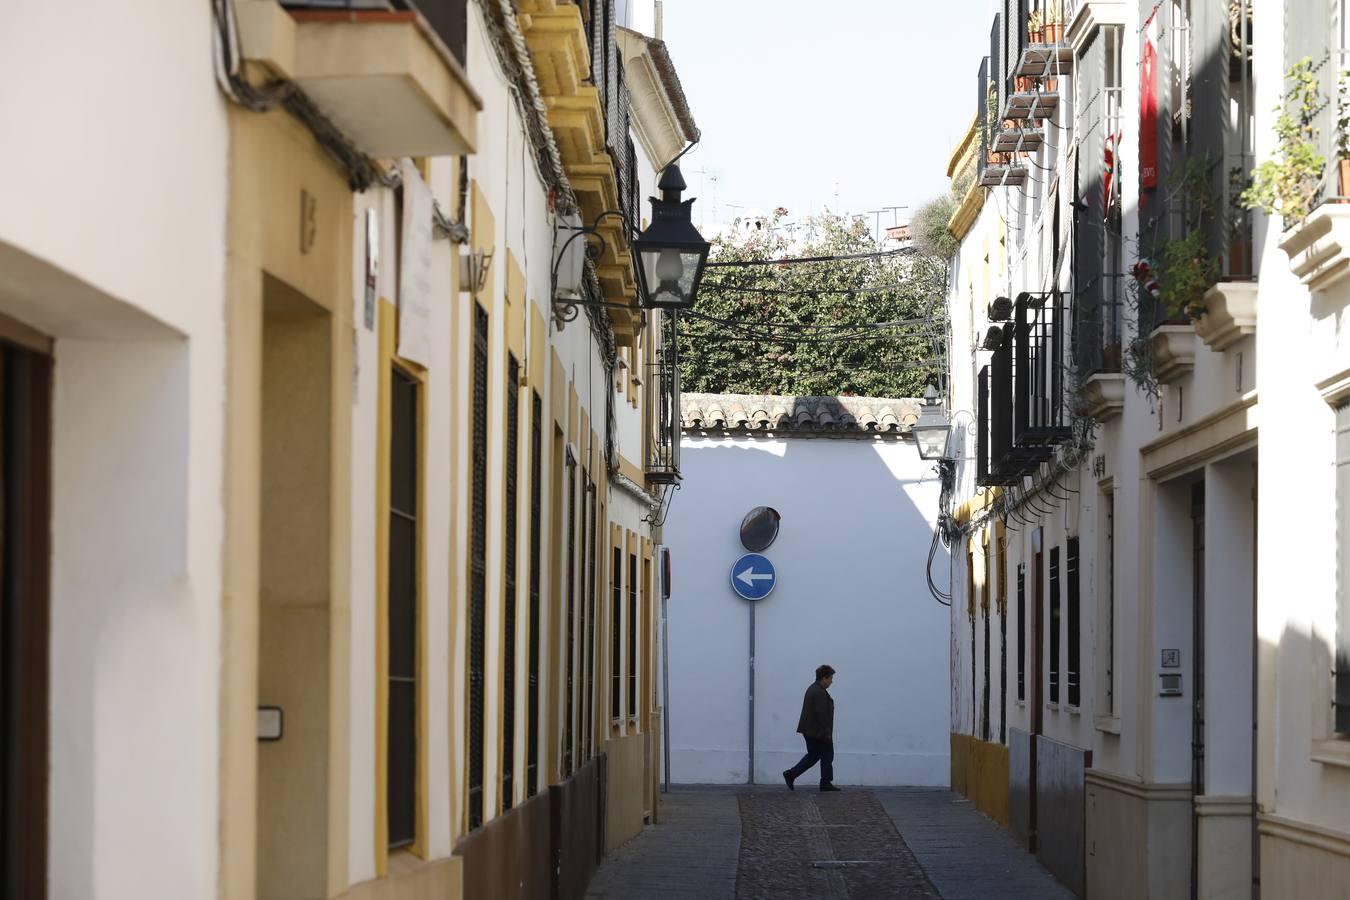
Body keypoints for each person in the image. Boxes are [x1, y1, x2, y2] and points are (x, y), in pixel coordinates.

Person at [783, 664, 839, 792]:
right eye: (830, 678)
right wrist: (826, 733)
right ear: (824, 678)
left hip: (811, 731)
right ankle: (825, 782)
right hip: (818, 732)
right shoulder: (818, 692)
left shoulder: (815, 689)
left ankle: (791, 774)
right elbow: (821, 714)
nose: (832, 681)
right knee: (827, 755)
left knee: (814, 756)